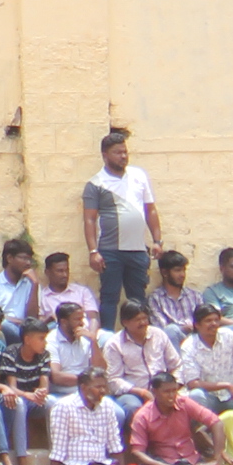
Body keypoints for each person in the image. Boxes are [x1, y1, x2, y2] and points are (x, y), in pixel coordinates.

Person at [84, 127, 164, 321]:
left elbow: (150, 209)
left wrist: (157, 240)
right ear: (105, 155)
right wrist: (93, 251)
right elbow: (89, 219)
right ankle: (107, 339)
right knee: (110, 298)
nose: (123, 156)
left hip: (137, 250)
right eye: (117, 152)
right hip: (110, 251)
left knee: (138, 299)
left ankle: (141, 339)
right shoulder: (96, 183)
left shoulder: (139, 176)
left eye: (125, 151)